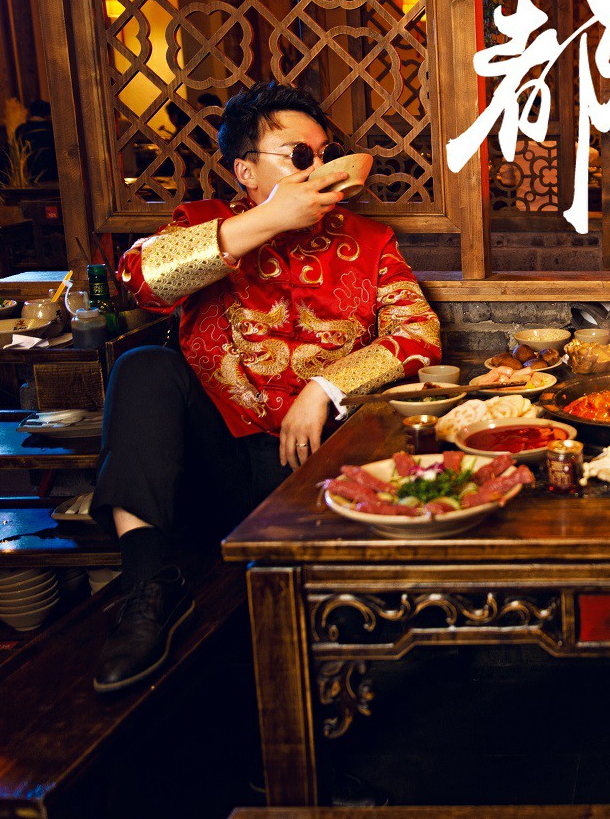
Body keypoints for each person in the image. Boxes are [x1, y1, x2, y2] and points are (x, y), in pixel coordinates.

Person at [90, 81, 441, 693]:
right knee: (143, 366)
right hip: (214, 460)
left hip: (317, 461)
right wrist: (269, 219)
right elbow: (141, 280)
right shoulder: (204, 225)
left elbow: (420, 332)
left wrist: (324, 386)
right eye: (299, 156)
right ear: (246, 170)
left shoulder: (368, 240)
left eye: (325, 154)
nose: (319, 168)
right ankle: (149, 586)